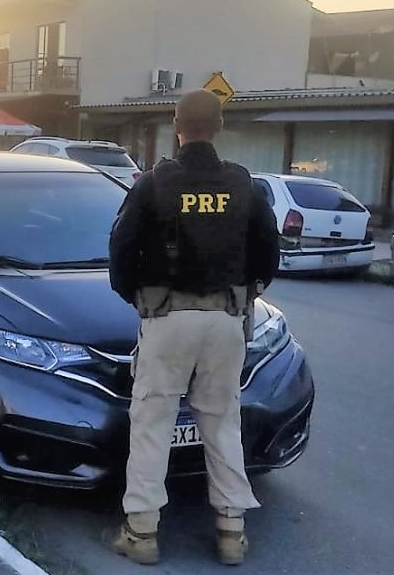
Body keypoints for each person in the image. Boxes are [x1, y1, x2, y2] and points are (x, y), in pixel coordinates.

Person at [106, 89, 280, 566]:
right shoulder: (243, 184)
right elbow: (269, 251)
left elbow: (120, 250)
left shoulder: (152, 184)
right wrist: (248, 292)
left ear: (176, 126)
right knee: (223, 423)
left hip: (167, 318)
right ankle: (231, 533)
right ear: (219, 127)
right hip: (226, 319)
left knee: (152, 424)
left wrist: (137, 297)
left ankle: (141, 533)